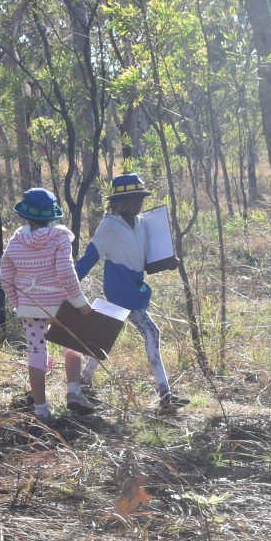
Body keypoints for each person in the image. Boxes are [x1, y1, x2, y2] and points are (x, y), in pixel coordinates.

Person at [76, 174, 191, 414]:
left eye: (140, 199)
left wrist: (166, 263)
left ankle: (83, 382)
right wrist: (69, 283)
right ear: (120, 202)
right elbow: (89, 258)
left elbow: (146, 264)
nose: (137, 204)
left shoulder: (141, 224)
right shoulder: (109, 225)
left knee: (104, 337)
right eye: (133, 200)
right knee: (151, 331)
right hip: (120, 289)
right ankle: (165, 394)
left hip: (134, 288)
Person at [0, 188, 99, 422]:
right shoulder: (59, 237)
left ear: (26, 215)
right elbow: (65, 271)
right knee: (72, 347)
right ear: (52, 214)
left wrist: (19, 303)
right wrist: (80, 302)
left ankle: (41, 411)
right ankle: (73, 392)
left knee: (36, 353)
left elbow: (5, 277)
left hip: (30, 306)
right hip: (61, 305)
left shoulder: (16, 240)